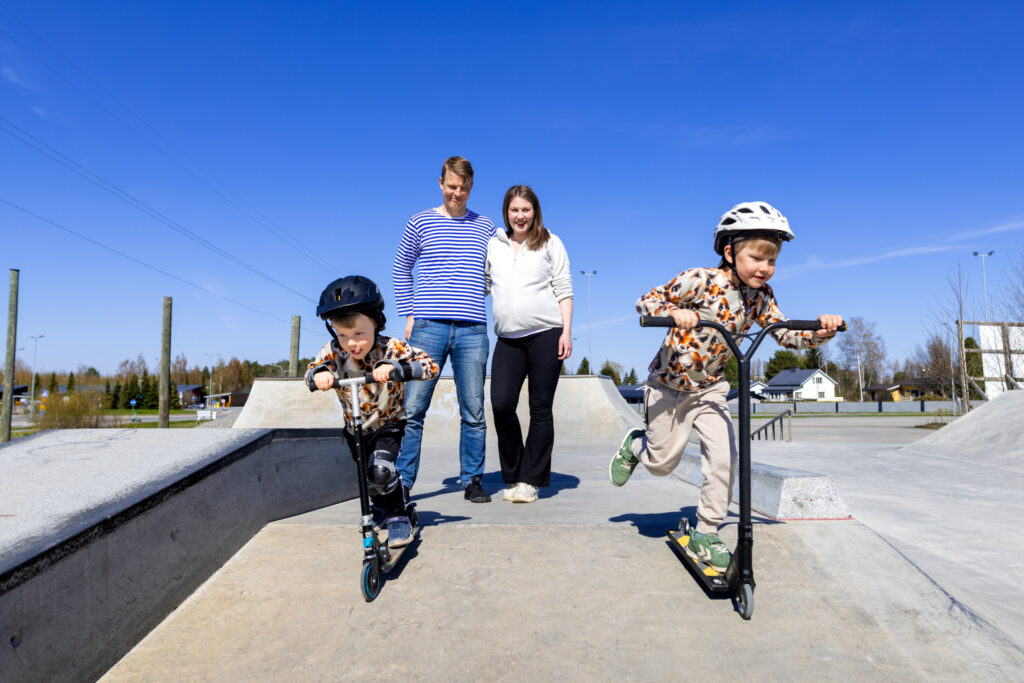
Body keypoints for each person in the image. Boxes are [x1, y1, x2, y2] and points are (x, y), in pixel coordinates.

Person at [608, 201, 842, 571]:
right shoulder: (700, 280)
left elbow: (784, 333)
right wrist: (672, 313)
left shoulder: (762, 297)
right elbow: (647, 300)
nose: (764, 268)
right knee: (661, 463)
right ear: (730, 252)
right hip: (668, 385)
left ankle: (707, 530)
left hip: (711, 389)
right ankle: (637, 446)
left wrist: (820, 331)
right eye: (756, 258)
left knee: (724, 458)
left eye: (772, 260)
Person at [307, 275, 439, 548]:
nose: (352, 343)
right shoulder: (333, 352)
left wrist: (397, 369)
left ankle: (398, 515)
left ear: (376, 324)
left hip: (388, 424)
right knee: (368, 482)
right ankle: (388, 500)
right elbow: (312, 369)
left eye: (359, 334)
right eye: (343, 335)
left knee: (380, 471)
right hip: (355, 428)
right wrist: (319, 375)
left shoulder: (390, 348)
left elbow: (430, 366)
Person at [392, 156, 496, 503]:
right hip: (428, 328)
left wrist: (475, 288)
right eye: (452, 186)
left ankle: (472, 480)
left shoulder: (486, 226)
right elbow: (401, 267)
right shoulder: (419, 221)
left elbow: (495, 273)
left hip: (472, 331)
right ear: (440, 183)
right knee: (413, 410)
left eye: (464, 188)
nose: (458, 193)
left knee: (474, 410)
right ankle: (402, 481)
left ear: (471, 187)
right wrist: (408, 313)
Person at [485, 185, 573, 503]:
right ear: (506, 213)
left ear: (535, 210)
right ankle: (514, 474)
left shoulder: (550, 242)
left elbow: (564, 287)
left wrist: (566, 331)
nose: (520, 215)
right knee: (502, 404)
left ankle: (530, 481)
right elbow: (479, 284)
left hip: (546, 334)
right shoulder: (493, 245)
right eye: (514, 210)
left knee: (539, 408)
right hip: (508, 339)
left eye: (526, 209)